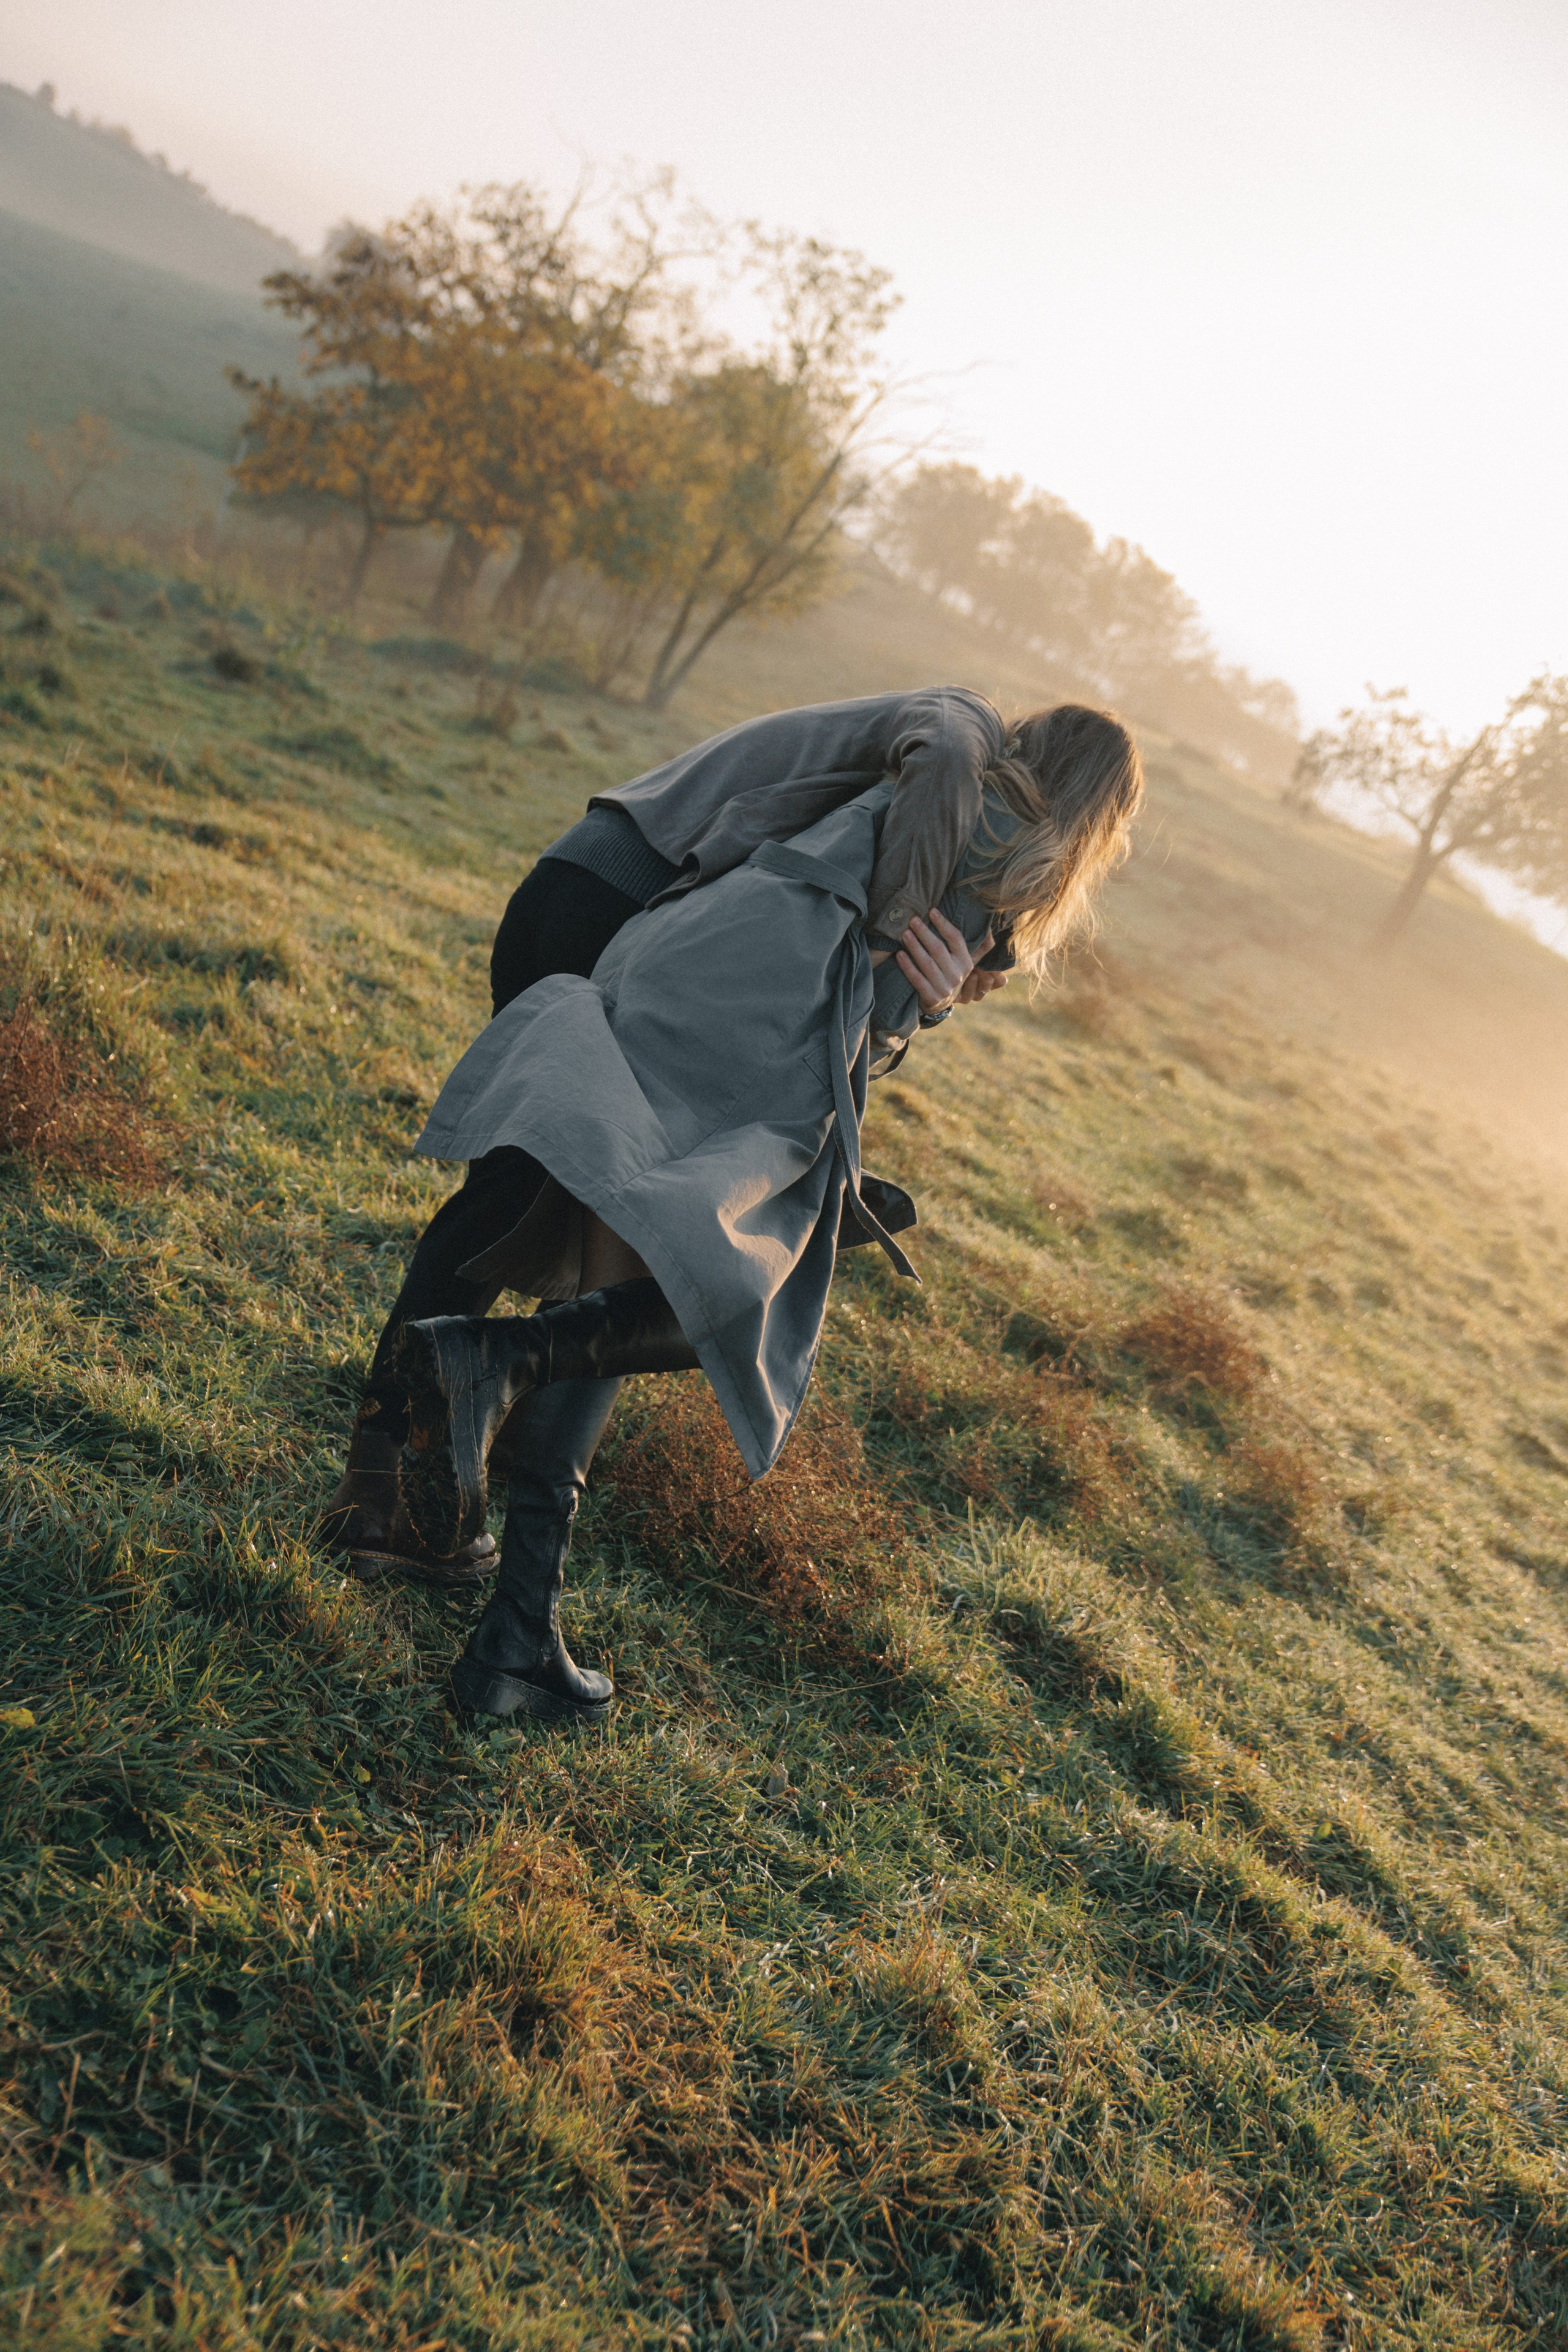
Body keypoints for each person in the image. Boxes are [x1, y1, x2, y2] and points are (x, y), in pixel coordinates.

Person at [322, 690, 1144, 1725]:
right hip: (632, 909)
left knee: (587, 1232)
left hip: (653, 922)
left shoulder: (927, 806)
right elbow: (886, 990)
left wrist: (952, 968)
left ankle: (454, 1550)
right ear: (1094, 830)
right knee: (663, 1257)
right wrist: (912, 960)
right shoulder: (961, 748)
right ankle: (448, 1478)